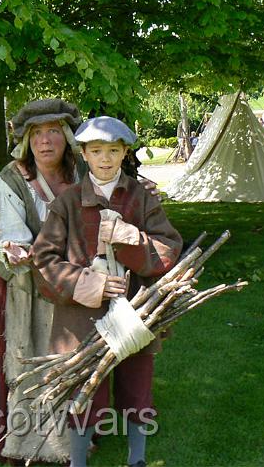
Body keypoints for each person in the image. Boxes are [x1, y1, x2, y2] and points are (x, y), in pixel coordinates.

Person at [32, 116, 183, 467]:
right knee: (87, 390)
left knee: (136, 386)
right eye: (96, 151)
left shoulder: (142, 198)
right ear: (84, 153)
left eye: (113, 151)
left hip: (135, 311)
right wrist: (90, 284)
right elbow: (43, 260)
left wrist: (133, 239)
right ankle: (79, 461)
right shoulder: (67, 203)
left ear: (124, 152)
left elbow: (169, 248)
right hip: (82, 318)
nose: (105, 159)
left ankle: (137, 460)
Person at [0, 98, 86, 463]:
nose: (45, 141)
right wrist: (16, 248)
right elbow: (6, 233)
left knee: (72, 356)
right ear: (27, 140)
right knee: (25, 356)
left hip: (72, 280)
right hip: (22, 285)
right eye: (37, 134)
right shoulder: (12, 178)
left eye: (53, 132)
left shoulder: (82, 173)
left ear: (66, 137)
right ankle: (23, 436)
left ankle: (71, 436)